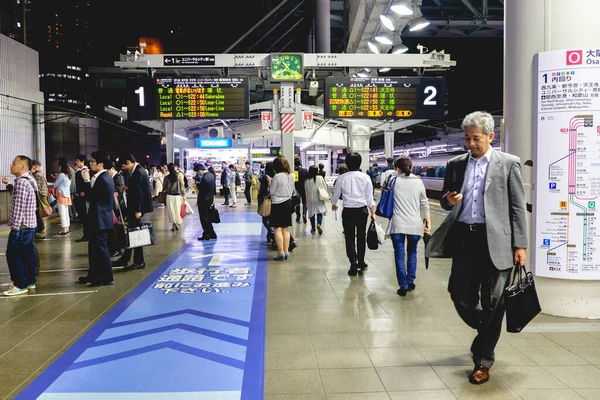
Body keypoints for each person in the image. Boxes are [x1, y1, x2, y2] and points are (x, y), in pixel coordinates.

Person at [425, 111, 528, 385]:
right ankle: (486, 330)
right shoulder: (456, 164)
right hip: (465, 239)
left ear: (491, 136)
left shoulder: (508, 164)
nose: (470, 144)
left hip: (498, 242)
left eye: (476, 138)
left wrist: (521, 245)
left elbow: (518, 208)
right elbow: (447, 203)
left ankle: (483, 361)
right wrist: (448, 200)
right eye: (467, 138)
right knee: (459, 295)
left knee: (494, 302)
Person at [387, 157, 431, 297]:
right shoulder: (419, 183)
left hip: (398, 225)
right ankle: (410, 280)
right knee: (412, 252)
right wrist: (428, 224)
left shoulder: (393, 181)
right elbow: (425, 204)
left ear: (396, 168)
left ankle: (403, 286)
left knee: (399, 256)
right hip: (415, 225)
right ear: (411, 168)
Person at [331, 152, 376, 276]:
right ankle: (361, 262)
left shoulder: (341, 178)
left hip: (348, 211)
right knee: (361, 237)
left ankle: (353, 263)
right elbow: (370, 198)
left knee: (349, 238)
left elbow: (335, 195)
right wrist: (373, 213)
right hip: (362, 211)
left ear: (347, 163)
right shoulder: (366, 177)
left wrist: (334, 204)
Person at [1, 156, 38, 296]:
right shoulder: (29, 180)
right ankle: (29, 281)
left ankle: (19, 284)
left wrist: (14, 226)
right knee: (28, 254)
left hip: (22, 226)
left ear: (22, 167)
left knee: (13, 254)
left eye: (14, 163)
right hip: (29, 224)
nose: (11, 165)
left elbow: (19, 207)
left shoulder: (22, 183)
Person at [78, 152, 115, 286]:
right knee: (94, 249)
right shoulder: (103, 177)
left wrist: (86, 181)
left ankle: (106, 277)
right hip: (98, 218)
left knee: (100, 249)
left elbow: (91, 197)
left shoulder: (103, 178)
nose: (90, 163)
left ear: (100, 163)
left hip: (100, 219)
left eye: (93, 161)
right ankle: (93, 275)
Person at [113, 153, 154, 270]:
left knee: (136, 235)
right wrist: (128, 187)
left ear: (128, 162)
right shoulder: (139, 171)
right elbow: (137, 188)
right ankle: (127, 258)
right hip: (135, 207)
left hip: (136, 209)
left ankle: (139, 261)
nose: (124, 169)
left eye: (124, 166)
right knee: (132, 233)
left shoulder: (138, 172)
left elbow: (139, 194)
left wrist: (138, 210)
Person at [269, 155, 295, 261]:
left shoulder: (277, 176)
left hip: (278, 204)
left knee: (277, 229)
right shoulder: (292, 175)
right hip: (288, 203)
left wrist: (269, 184)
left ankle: (280, 253)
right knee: (285, 228)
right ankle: (286, 251)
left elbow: (272, 191)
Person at [196, 163, 217, 240]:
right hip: (210, 199)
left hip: (203, 200)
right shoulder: (211, 175)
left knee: (203, 218)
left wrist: (197, 184)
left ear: (199, 171)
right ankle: (212, 233)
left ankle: (207, 234)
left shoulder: (204, 178)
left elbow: (201, 189)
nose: (198, 174)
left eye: (198, 172)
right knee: (208, 218)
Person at [162, 163, 185, 231]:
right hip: (177, 196)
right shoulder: (178, 176)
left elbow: (164, 187)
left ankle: (174, 224)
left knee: (171, 211)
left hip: (169, 196)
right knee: (177, 210)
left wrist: (166, 190)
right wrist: (183, 195)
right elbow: (182, 187)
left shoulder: (166, 177)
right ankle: (177, 223)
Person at [305, 165, 327, 235]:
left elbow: (306, 190)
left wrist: (306, 199)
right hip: (319, 197)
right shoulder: (320, 178)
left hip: (311, 199)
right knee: (319, 212)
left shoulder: (307, 180)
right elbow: (325, 187)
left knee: (312, 213)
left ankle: (313, 228)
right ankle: (319, 224)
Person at [31, 160, 49, 240]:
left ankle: (41, 232)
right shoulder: (42, 173)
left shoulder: (37, 175)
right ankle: (42, 231)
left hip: (40, 197)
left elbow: (37, 188)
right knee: (42, 214)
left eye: (32, 166)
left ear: (36, 166)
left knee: (41, 214)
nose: (32, 168)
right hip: (44, 195)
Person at [74, 155, 90, 242]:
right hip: (80, 196)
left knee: (85, 216)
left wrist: (84, 191)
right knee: (83, 216)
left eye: (78, 161)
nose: (76, 162)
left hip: (84, 197)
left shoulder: (85, 171)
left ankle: (87, 234)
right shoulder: (79, 171)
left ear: (83, 162)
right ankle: (86, 233)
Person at [55, 159, 73, 236]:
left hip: (61, 195)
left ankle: (64, 230)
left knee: (62, 213)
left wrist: (56, 179)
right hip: (67, 195)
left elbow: (55, 185)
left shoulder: (61, 175)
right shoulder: (68, 175)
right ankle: (67, 228)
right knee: (66, 213)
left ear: (61, 166)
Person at [294, 158, 308, 224]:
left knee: (297, 203)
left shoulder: (295, 171)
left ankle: (298, 216)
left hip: (297, 190)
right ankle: (304, 214)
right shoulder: (305, 170)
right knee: (305, 203)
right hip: (305, 189)